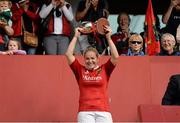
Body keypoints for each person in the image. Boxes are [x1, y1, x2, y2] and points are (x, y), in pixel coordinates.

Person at [65, 25, 119, 123]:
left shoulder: (105, 69)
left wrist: (109, 38)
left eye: (92, 58)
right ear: (84, 59)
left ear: (97, 58)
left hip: (103, 111)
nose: (90, 61)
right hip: (85, 112)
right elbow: (68, 54)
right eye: (87, 59)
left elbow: (115, 56)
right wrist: (75, 37)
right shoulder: (79, 69)